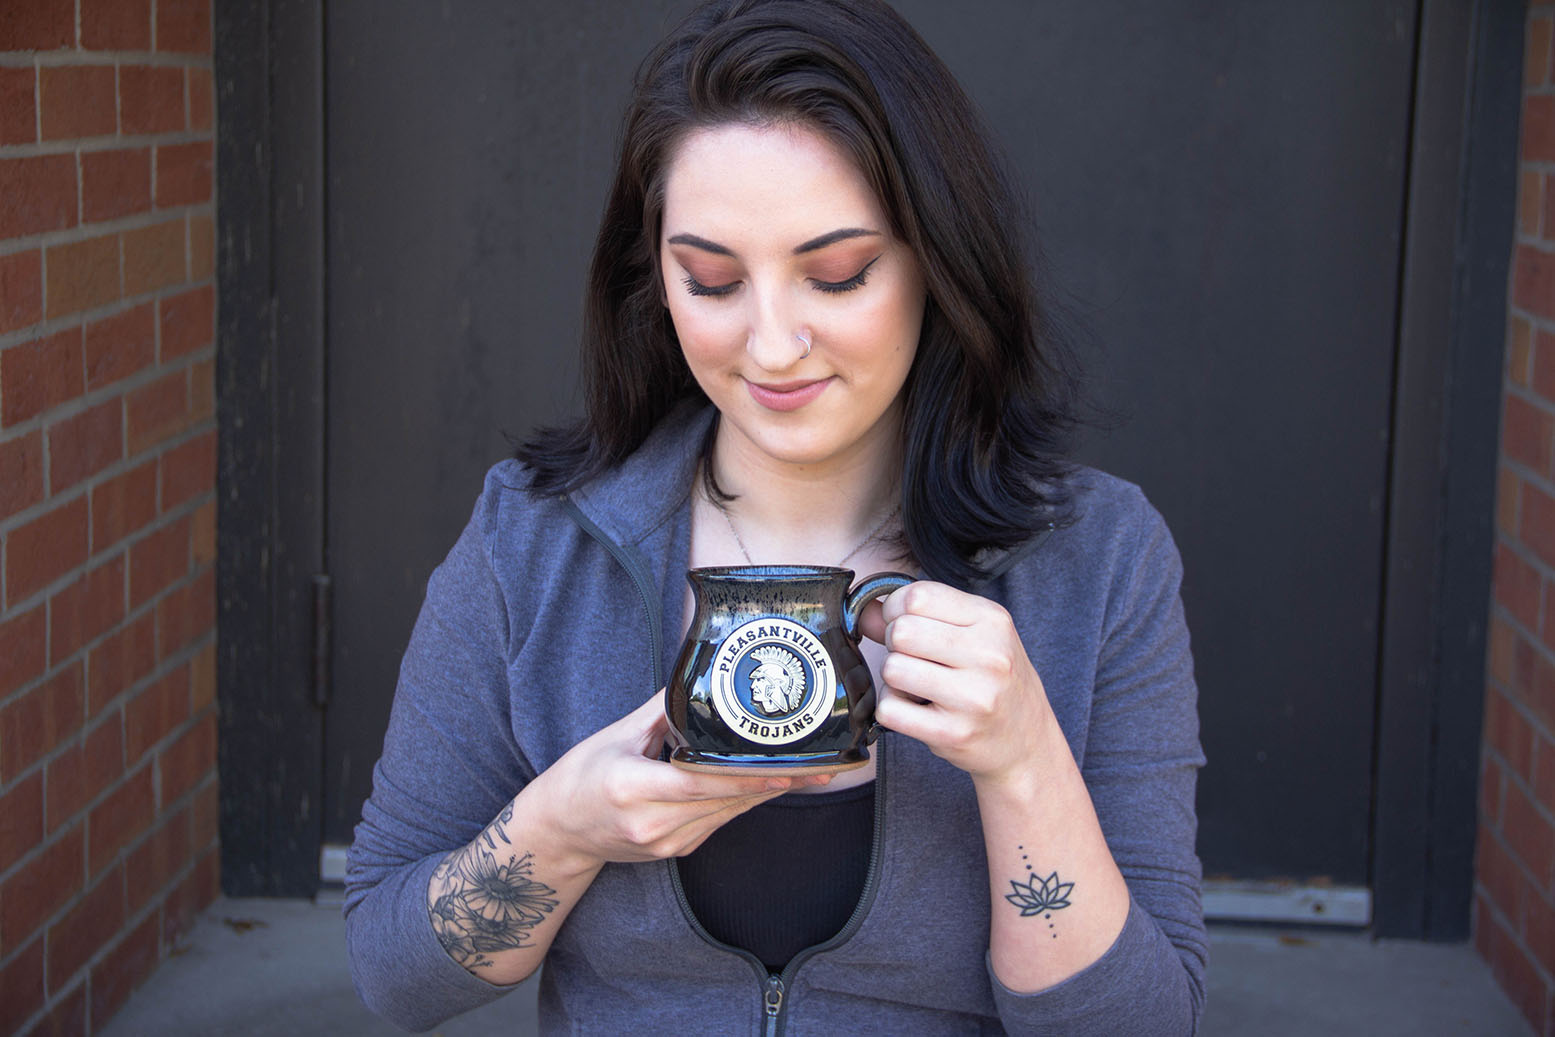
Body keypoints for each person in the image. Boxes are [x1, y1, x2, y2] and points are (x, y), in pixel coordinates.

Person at [344, 0, 1206, 1032]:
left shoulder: (1097, 560)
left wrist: (1024, 760)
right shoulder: (533, 542)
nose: (772, 344)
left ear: (936, 257)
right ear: (654, 279)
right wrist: (562, 827)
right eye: (710, 279)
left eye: (835, 274)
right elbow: (395, 977)